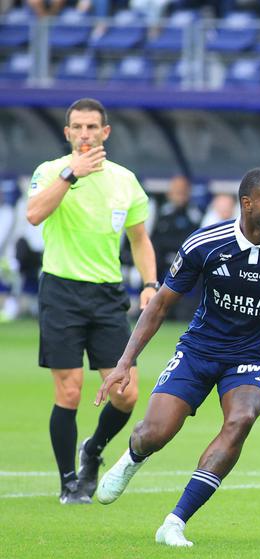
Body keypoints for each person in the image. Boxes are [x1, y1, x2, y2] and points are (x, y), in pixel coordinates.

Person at [92, 168, 260, 547]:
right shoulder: (205, 244)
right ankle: (132, 457)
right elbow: (160, 305)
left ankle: (175, 522)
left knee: (241, 419)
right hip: (199, 350)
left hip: (253, 356)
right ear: (247, 204)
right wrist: (125, 362)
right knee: (155, 433)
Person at [25, 98, 157, 504]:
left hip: (106, 295)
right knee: (69, 391)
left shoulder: (124, 181)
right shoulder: (51, 171)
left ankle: (93, 449)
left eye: (91, 127)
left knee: (126, 392)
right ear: (67, 133)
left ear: (105, 133)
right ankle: (68, 482)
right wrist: (71, 174)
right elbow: (33, 214)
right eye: (77, 127)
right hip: (62, 291)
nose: (84, 134)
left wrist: (150, 283)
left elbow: (139, 238)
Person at [150, 175, 203, 321]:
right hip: (164, 268)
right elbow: (155, 243)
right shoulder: (161, 216)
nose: (180, 196)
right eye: (176, 192)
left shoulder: (195, 216)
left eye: (183, 192)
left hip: (187, 268)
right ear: (169, 193)